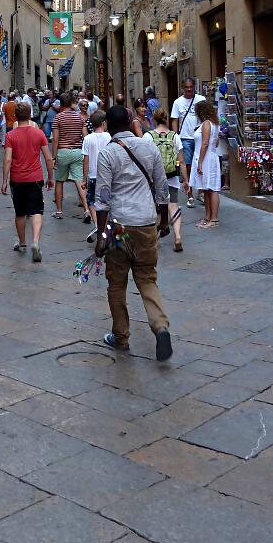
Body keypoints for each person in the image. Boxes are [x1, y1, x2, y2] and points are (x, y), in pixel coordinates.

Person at [94, 105, 172, 361]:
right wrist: (163, 221)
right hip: (146, 222)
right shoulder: (148, 146)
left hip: (119, 227)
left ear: (107, 125)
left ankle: (121, 336)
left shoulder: (107, 154)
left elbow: (102, 199)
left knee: (116, 283)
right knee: (147, 278)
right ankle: (160, 326)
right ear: (129, 122)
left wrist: (102, 236)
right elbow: (162, 187)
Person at [1, 101, 54, 262]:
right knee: (37, 210)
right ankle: (35, 242)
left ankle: (23, 242)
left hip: (17, 179)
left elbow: (8, 159)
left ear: (16, 116)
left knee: (20, 212)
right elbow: (47, 157)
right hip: (35, 178)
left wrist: (4, 180)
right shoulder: (39, 134)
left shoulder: (10, 135)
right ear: (30, 115)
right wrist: (50, 177)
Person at [146, 107, 190, 252]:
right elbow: (181, 161)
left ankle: (152, 240)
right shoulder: (174, 136)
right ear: (166, 119)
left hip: (154, 178)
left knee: (153, 207)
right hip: (171, 177)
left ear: (154, 119)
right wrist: (186, 180)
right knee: (174, 205)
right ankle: (178, 237)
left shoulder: (148, 136)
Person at [51, 90, 91, 222]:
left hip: (63, 152)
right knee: (80, 182)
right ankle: (86, 210)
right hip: (77, 152)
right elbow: (85, 137)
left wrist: (53, 157)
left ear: (61, 104)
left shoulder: (58, 118)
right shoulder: (79, 117)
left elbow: (55, 139)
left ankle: (59, 210)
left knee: (60, 181)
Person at [170, 78, 207, 208]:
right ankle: (190, 193)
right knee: (188, 166)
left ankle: (201, 191)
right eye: (187, 87)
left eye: (191, 87)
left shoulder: (201, 99)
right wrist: (176, 137)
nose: (189, 89)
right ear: (183, 87)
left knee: (201, 164)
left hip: (200, 137)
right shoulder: (178, 102)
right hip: (185, 138)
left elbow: (206, 117)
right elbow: (174, 120)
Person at [190, 99, 222, 228]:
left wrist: (200, 162)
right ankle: (208, 217)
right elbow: (216, 142)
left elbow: (205, 143)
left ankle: (214, 219)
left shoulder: (207, 124)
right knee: (206, 189)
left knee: (212, 189)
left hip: (206, 159)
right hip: (209, 157)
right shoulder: (213, 124)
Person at [82, 109, 110, 243]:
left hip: (93, 175)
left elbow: (85, 160)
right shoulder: (109, 137)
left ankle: (97, 224)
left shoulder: (87, 139)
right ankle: (104, 225)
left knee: (92, 201)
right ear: (104, 123)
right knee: (106, 200)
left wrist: (84, 178)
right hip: (106, 175)